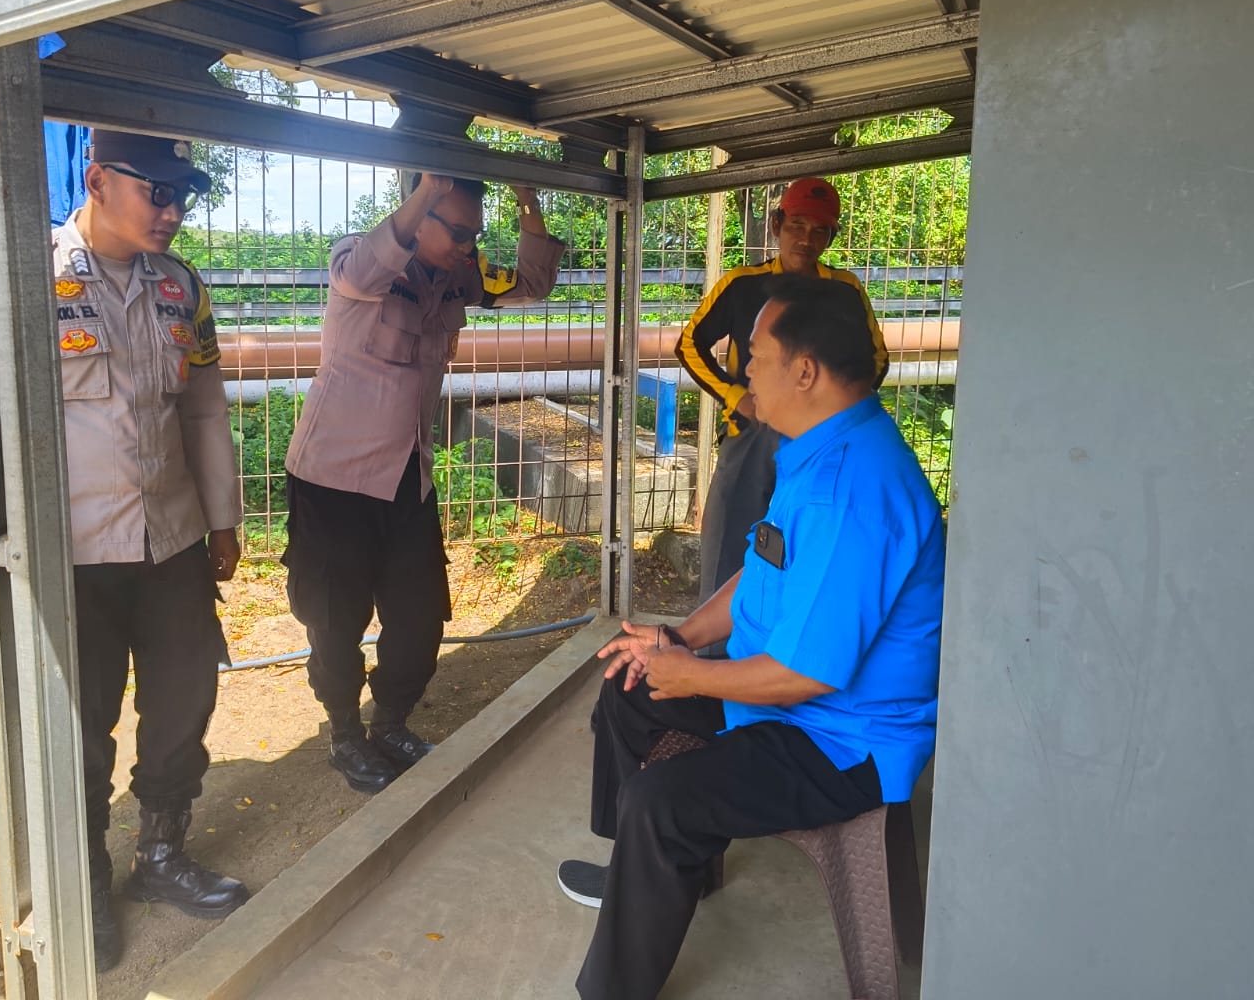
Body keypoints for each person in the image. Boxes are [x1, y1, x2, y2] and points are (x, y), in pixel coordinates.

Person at [560, 275, 945, 1000]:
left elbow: (807, 675)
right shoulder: (818, 447)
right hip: (783, 702)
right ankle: (642, 877)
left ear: (805, 371)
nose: (744, 374)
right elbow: (759, 569)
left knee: (663, 800)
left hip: (839, 742)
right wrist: (676, 639)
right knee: (629, 686)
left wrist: (692, 674)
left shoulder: (852, 489)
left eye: (757, 357)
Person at [282, 172, 565, 792]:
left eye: (474, 234)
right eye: (457, 231)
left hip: (406, 477)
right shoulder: (361, 258)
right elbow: (359, 275)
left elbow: (533, 284)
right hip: (333, 479)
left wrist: (527, 201)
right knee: (335, 618)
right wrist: (425, 190)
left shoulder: (459, 274)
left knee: (419, 614)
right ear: (422, 210)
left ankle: (391, 724)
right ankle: (345, 735)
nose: (468, 246)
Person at [52, 129, 248, 971]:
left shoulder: (181, 286)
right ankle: (84, 881)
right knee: (82, 723)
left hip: (170, 539)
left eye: (182, 196)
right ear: (98, 180)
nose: (172, 211)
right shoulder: (33, 279)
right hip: (75, 551)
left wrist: (222, 520)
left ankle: (161, 852)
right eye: (156, 192)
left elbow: (202, 408)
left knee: (182, 700)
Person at [676, 177, 888, 604]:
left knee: (809, 544)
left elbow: (876, 360)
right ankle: (715, 639)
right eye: (797, 226)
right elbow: (688, 345)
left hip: (821, 442)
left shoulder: (844, 290)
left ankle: (786, 633)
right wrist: (736, 397)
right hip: (751, 433)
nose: (806, 239)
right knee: (728, 547)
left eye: (820, 231)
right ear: (777, 225)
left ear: (831, 237)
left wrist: (833, 415)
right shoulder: (742, 285)